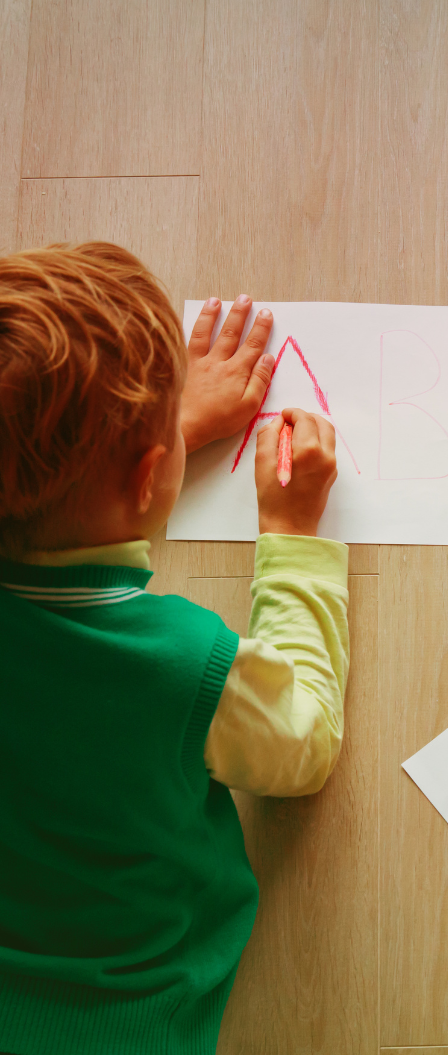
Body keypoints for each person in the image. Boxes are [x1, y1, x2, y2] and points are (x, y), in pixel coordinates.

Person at [0, 243, 347, 1055]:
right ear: (150, 473)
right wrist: (293, 536)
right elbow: (303, 747)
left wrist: (134, 448)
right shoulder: (184, 666)